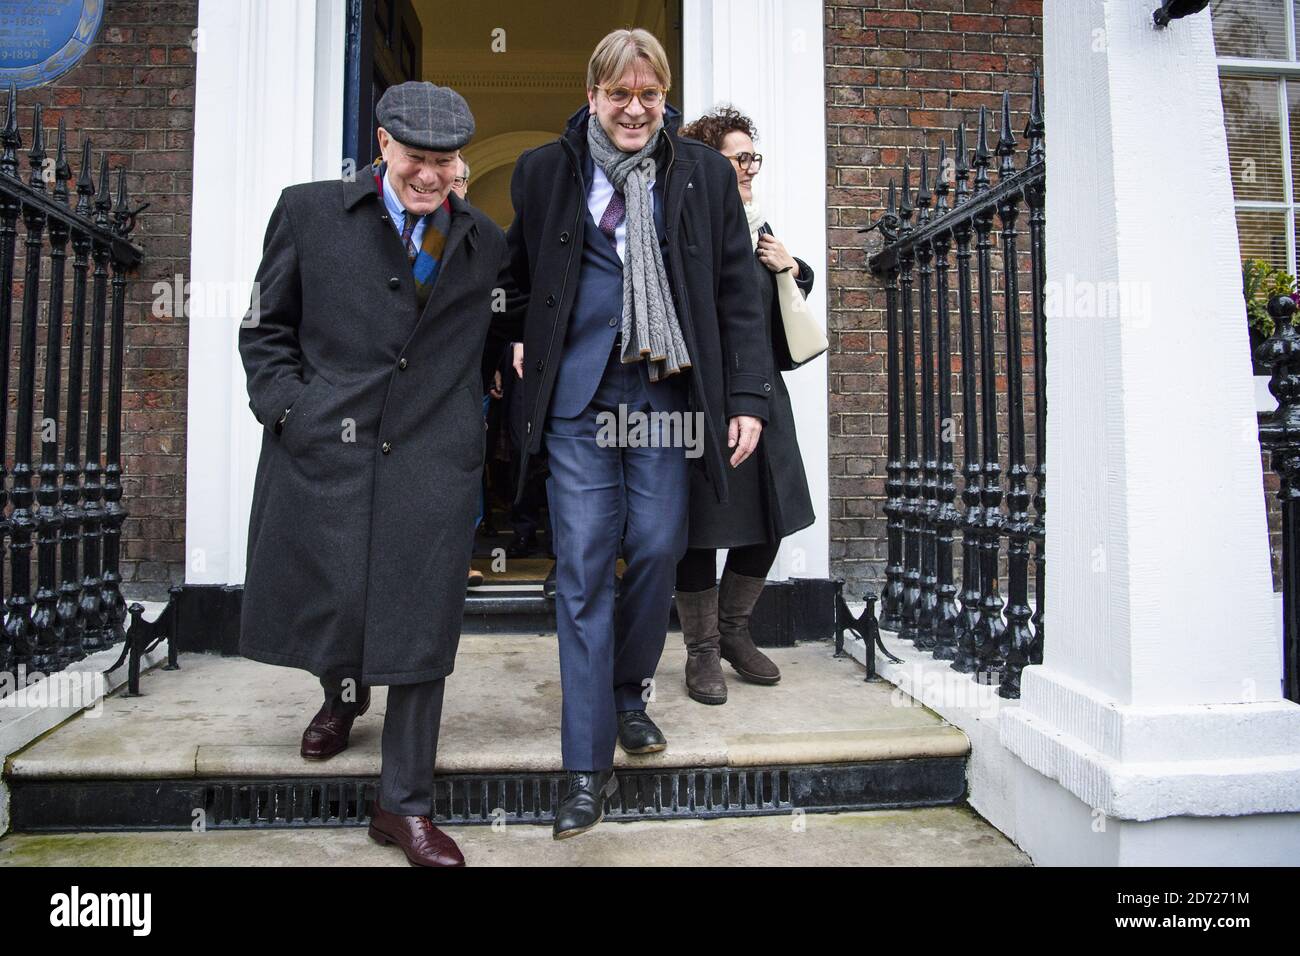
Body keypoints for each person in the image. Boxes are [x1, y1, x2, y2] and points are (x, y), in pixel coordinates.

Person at [504, 28, 772, 839]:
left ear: (663, 101)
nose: (633, 108)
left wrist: (749, 395)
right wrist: (512, 333)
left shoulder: (698, 176)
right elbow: (514, 273)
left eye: (647, 94)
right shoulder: (546, 171)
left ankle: (629, 693)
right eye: (617, 94)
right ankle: (585, 769)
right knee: (584, 565)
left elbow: (735, 288)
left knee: (656, 545)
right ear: (592, 97)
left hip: (665, 389)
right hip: (578, 395)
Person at [238, 81, 514, 867]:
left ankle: (404, 807)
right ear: (383, 146)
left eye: (444, 161)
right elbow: (264, 329)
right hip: (332, 444)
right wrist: (288, 409)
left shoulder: (483, 241)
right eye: (416, 158)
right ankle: (341, 696)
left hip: (433, 456)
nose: (429, 175)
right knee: (344, 590)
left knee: (423, 625)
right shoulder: (308, 212)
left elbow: (495, 334)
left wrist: (501, 377)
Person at [673, 106, 817, 704]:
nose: (750, 168)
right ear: (711, 163)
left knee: (772, 517)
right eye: (740, 157)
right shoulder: (691, 222)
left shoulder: (761, 227)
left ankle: (734, 630)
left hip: (761, 392)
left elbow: (770, 309)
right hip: (703, 393)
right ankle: (702, 650)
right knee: (701, 528)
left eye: (753, 156)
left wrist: (793, 268)